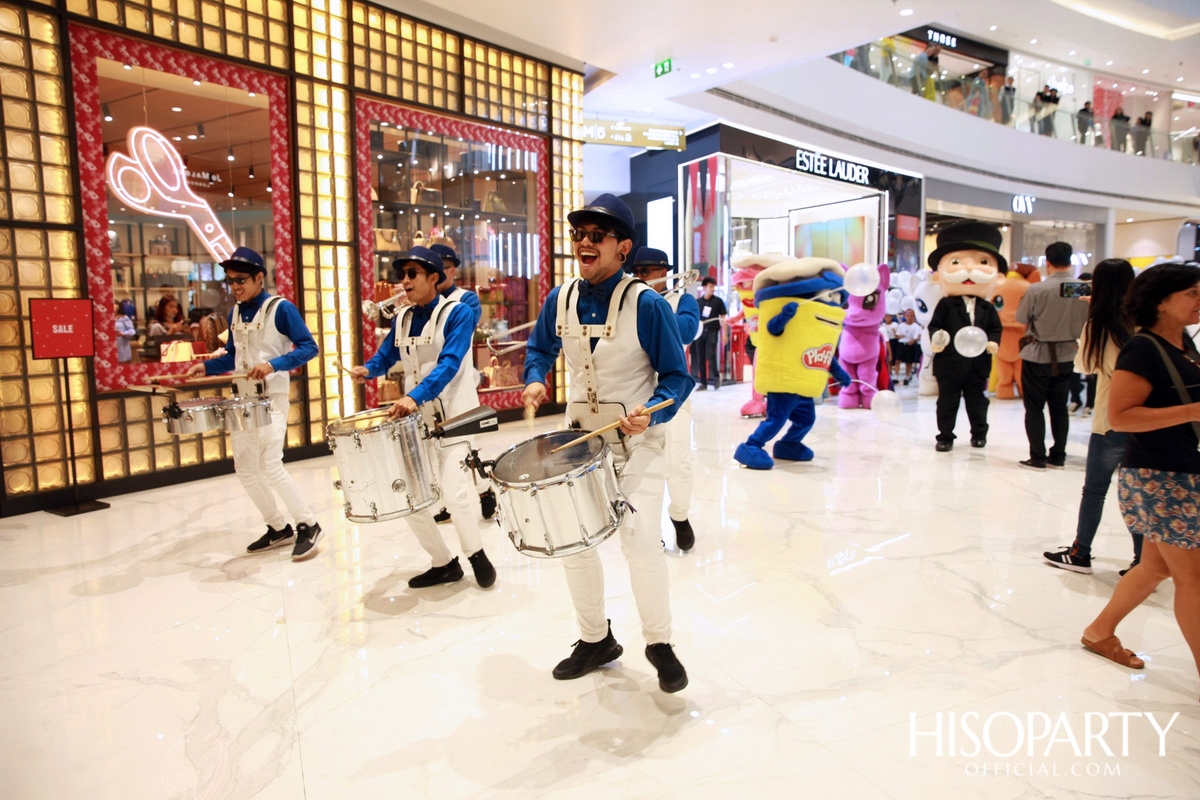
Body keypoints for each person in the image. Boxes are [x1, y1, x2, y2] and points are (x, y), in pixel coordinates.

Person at [522, 193, 693, 693]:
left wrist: (652, 409)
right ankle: (595, 639)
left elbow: (677, 378)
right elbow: (539, 347)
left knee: (640, 543)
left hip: (639, 443)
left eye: (597, 236)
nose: (584, 243)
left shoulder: (648, 303)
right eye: (578, 235)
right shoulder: (561, 298)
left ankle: (660, 644)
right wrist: (535, 377)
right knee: (574, 545)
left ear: (623, 248)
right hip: (581, 441)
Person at [1078, 262, 1200, 681]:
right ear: (1161, 301)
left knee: (1155, 567)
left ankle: (1099, 631)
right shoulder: (1143, 348)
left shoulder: (1184, 344)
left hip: (1183, 472)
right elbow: (1122, 416)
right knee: (1193, 579)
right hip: (1162, 477)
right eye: (1192, 293)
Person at [350, 246, 497, 589]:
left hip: (456, 417)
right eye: (402, 275)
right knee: (410, 494)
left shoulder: (457, 313)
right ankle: (443, 562)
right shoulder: (401, 316)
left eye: (412, 274)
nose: (404, 282)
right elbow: (386, 356)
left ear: (434, 277)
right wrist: (367, 370)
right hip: (416, 420)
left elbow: (450, 362)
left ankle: (476, 554)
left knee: (454, 490)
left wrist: (413, 396)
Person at [186, 247, 323, 560]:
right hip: (243, 400)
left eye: (241, 279)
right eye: (230, 280)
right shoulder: (235, 311)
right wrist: (206, 366)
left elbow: (309, 348)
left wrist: (273, 364)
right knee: (245, 468)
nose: (235, 286)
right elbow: (235, 357)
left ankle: (309, 523)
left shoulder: (281, 308)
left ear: (260, 277)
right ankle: (278, 527)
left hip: (271, 399)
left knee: (270, 464)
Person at [1044, 259, 1140, 574]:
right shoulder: (1143, 318)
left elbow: (1086, 367)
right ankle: (1143, 560)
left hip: (1111, 417)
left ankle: (1080, 552)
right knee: (1137, 491)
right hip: (1144, 418)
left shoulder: (1099, 323)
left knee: (1095, 489)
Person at [630, 246, 700, 552]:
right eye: (636, 273)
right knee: (641, 469)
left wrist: (656, 312)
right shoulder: (629, 302)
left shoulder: (682, 300)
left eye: (646, 273)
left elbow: (687, 330)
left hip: (673, 395)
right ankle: (648, 529)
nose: (640, 278)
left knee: (677, 463)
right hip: (635, 398)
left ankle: (679, 515)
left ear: (663, 272)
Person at [426, 242, 494, 525]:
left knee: (466, 447)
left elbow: (460, 336)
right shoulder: (423, 305)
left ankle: (483, 489)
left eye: (440, 269)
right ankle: (447, 501)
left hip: (459, 380)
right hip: (431, 387)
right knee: (436, 449)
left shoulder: (466, 301)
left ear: (451, 270)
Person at [927, 221, 1004, 451]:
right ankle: (945, 436)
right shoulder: (945, 304)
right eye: (957, 261)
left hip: (977, 363)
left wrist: (993, 342)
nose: (969, 270)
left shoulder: (987, 307)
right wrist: (938, 338)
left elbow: (996, 328)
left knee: (977, 401)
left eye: (982, 262)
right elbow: (934, 326)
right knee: (947, 401)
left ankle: (979, 433)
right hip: (949, 362)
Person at [1016, 242, 1089, 469]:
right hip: (1068, 353)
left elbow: (1021, 317)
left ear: (1047, 262)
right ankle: (1058, 455)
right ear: (1071, 261)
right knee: (1059, 406)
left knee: (1034, 407)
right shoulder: (1083, 288)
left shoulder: (1037, 289)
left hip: (1037, 354)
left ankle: (1037, 457)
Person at [690, 277, 727, 390]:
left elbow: (723, 318)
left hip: (712, 331)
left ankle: (716, 378)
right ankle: (703, 383)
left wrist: (724, 334)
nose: (712, 289)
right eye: (710, 287)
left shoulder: (718, 301)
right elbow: (694, 319)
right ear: (704, 287)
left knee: (711, 355)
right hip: (700, 333)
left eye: (713, 287)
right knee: (700, 357)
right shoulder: (698, 302)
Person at [895, 308, 922, 384]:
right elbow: (896, 335)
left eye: (911, 316)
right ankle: (896, 376)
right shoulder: (901, 325)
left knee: (909, 362)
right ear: (904, 316)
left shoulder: (916, 326)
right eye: (908, 315)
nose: (909, 317)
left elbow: (917, 337)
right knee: (898, 360)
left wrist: (913, 341)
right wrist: (900, 336)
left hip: (910, 345)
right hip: (901, 344)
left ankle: (907, 376)